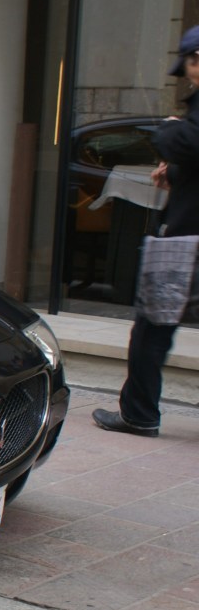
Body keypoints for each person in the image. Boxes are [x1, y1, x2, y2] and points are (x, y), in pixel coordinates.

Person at [93, 26, 199, 437]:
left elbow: (189, 141)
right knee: (152, 330)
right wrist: (174, 170)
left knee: (151, 329)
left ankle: (139, 414)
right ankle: (139, 412)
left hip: (187, 241)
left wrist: (170, 129)